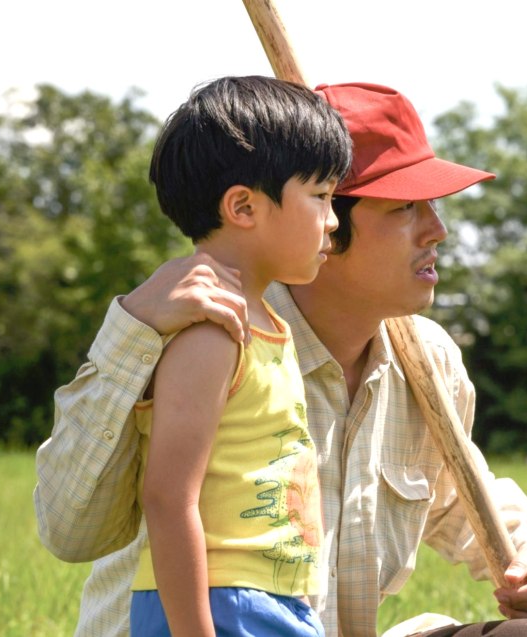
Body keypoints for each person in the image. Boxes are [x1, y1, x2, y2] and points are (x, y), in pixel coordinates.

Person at [34, 82, 527, 637]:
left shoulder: (429, 359)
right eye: (404, 208)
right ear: (328, 219)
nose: (437, 230)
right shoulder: (206, 329)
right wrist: (131, 330)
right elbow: (69, 530)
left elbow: (454, 495)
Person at [126, 75, 351, 636]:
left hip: (270, 600)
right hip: (221, 604)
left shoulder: (267, 324)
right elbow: (168, 497)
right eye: (321, 196)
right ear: (244, 206)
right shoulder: (212, 334)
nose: (334, 220)